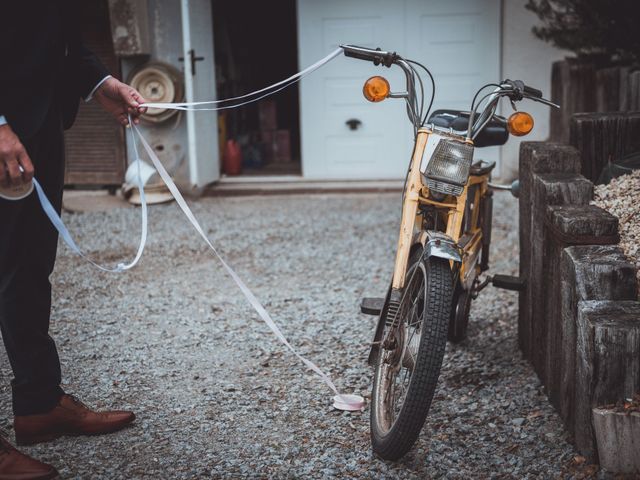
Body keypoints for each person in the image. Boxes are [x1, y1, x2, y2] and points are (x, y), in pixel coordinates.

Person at [0, 2, 148, 478]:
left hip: (40, 123)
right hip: (5, 129)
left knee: (28, 267)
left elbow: (59, 31)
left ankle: (40, 403)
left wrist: (102, 82)